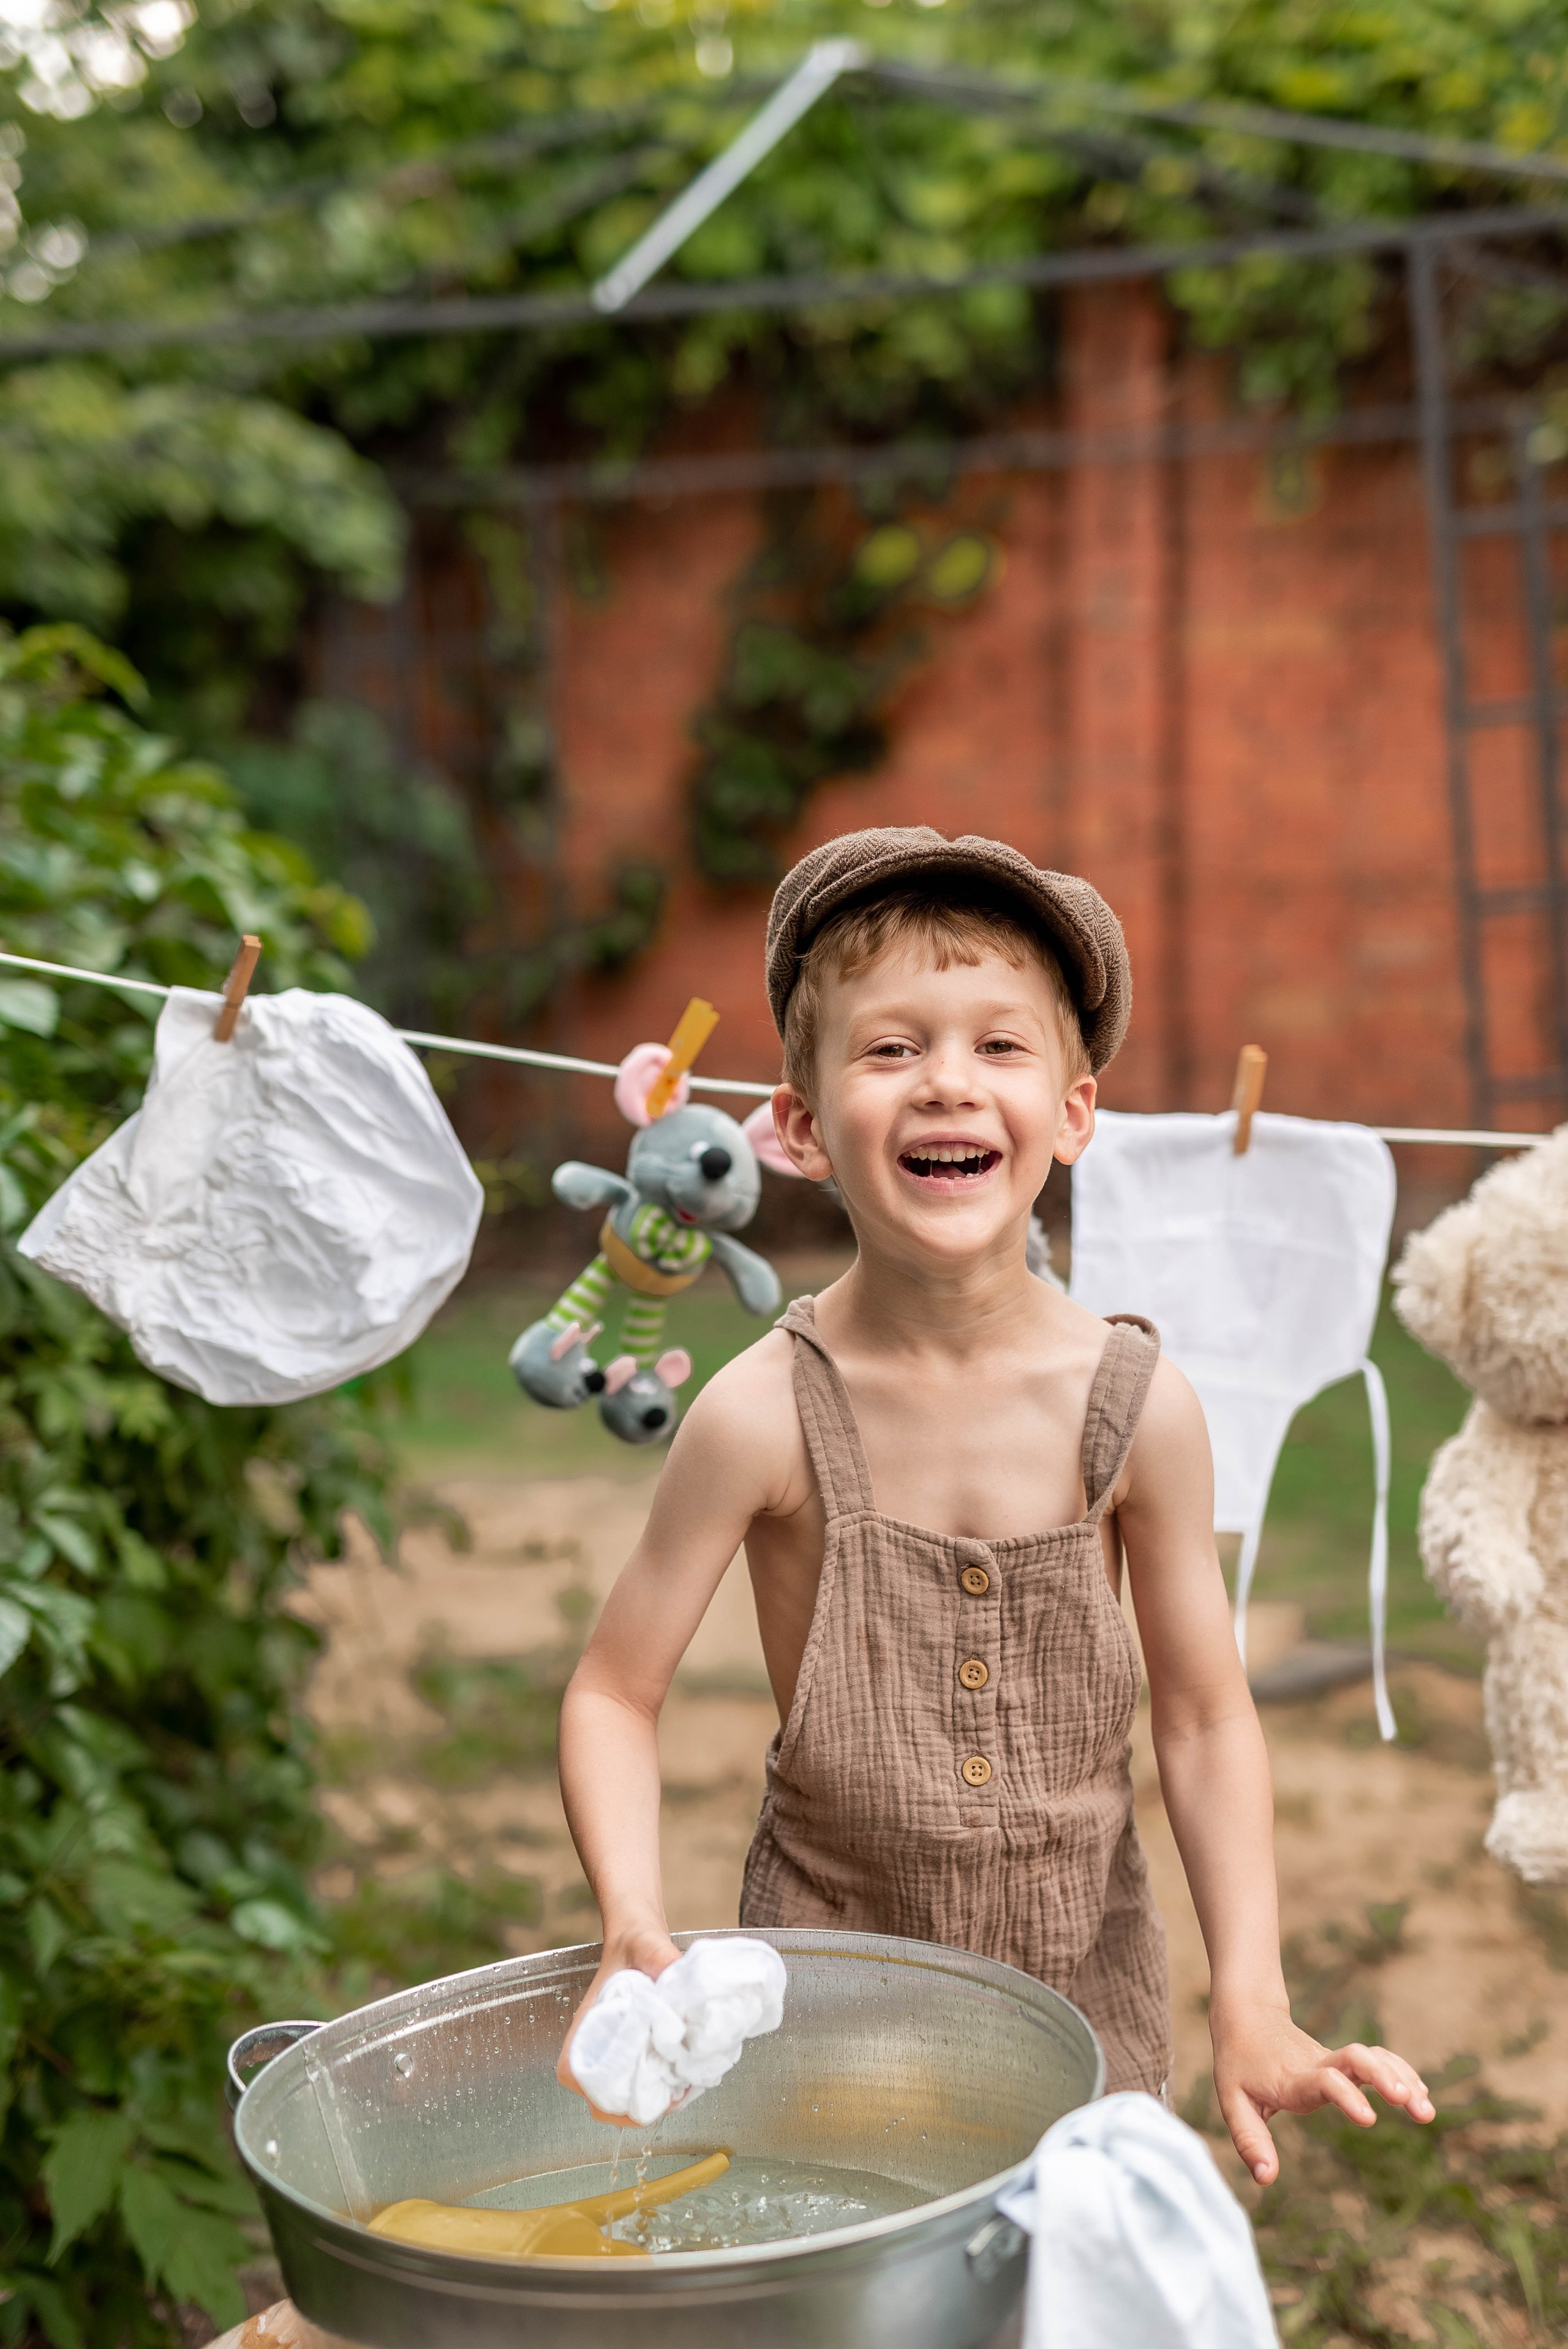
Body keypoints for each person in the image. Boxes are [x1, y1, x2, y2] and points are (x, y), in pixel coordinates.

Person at [555, 825, 1434, 2183]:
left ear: (1073, 1112)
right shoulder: (760, 1414)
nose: (945, 1086)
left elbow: (1203, 1716)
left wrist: (1246, 1989)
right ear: (796, 1127)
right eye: (890, 1048)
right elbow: (614, 1691)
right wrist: (630, 1920)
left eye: (998, 1047)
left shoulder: (1138, 1404)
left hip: (1084, 1996)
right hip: (827, 1995)